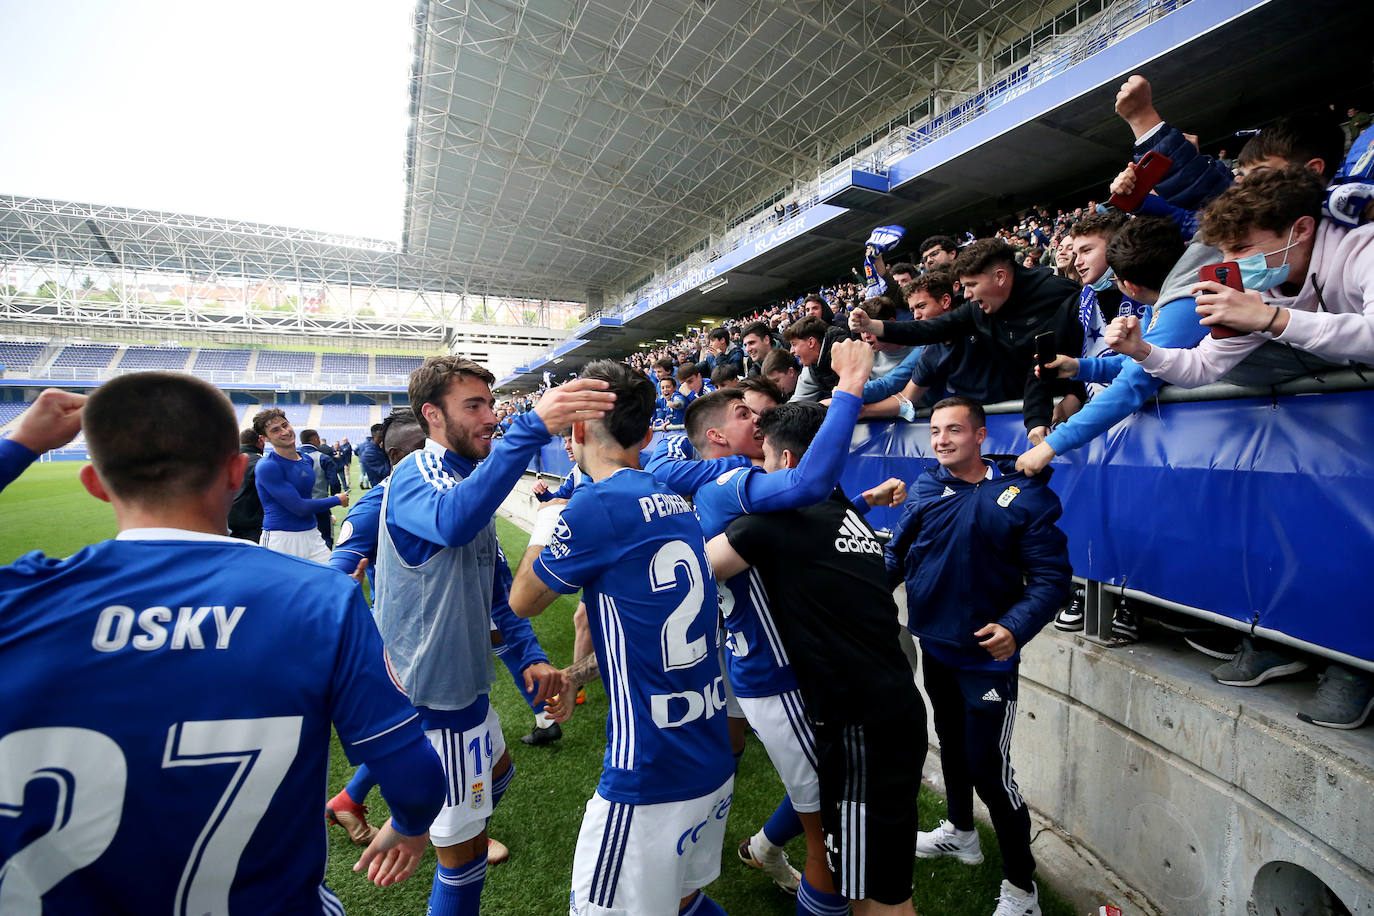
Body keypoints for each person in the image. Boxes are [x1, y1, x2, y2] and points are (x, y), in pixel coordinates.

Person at [0, 373, 445, 912]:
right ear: (238, 475)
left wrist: (18, 442)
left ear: (95, 483)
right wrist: (414, 825)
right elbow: (416, 780)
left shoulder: (20, 598)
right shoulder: (320, 600)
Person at [372, 355, 613, 915]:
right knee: (466, 864)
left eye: (490, 404)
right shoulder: (417, 474)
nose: (489, 417)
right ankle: (435, 820)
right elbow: (454, 521)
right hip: (431, 696)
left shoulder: (466, 479)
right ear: (433, 415)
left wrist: (528, 654)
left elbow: (499, 587)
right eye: (473, 406)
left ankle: (430, 815)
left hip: (464, 690)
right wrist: (532, 427)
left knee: (498, 777)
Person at [508, 359, 735, 916]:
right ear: (649, 434)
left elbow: (522, 601)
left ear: (577, 431)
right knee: (682, 900)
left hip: (650, 772)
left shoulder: (596, 505)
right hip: (707, 753)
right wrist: (575, 673)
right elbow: (648, 635)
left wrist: (550, 520)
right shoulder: (675, 503)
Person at [706, 400, 925, 916]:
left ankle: (770, 851)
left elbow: (690, 572)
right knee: (887, 882)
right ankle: (764, 847)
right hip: (897, 709)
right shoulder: (847, 515)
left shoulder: (770, 527)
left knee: (858, 885)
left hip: (856, 725)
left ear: (783, 463)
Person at [324, 408, 544, 861]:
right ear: (398, 457)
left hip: (451, 655)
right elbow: (337, 574)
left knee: (491, 769)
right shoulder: (379, 504)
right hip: (410, 660)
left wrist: (530, 656)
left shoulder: (460, 497)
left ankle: (359, 805)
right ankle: (436, 832)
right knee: (427, 751)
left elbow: (499, 589)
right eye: (416, 452)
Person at [886, 397, 1071, 916]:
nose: (942, 440)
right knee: (950, 746)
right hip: (936, 646)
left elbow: (1053, 579)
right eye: (935, 431)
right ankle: (962, 834)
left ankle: (1022, 889)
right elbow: (897, 557)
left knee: (991, 771)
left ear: (981, 435)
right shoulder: (925, 487)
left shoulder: (1025, 496)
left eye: (954, 431)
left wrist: (1015, 627)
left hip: (987, 661)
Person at [1110, 166, 1374, 387]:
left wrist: (1273, 320)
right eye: (1224, 252)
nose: (1229, 264)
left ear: (1302, 229)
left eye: (1241, 248)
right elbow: (1202, 367)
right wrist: (1141, 350)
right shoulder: (1256, 293)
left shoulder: (1364, 249)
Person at [849, 238, 1080, 441]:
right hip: (1029, 414)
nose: (967, 294)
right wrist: (872, 325)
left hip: (1059, 407)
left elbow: (1083, 352)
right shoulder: (976, 311)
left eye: (971, 285)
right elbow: (931, 329)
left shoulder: (1060, 295)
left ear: (999, 277)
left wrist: (1076, 393)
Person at [252, 408, 347, 562]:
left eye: (285, 425)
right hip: (281, 538)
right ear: (265, 438)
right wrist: (337, 499)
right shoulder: (268, 466)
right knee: (284, 586)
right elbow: (299, 507)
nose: (284, 432)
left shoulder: (306, 460)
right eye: (275, 430)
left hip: (311, 533)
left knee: (329, 581)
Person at [299, 428, 340, 549]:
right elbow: (334, 482)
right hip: (320, 504)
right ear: (315, 439)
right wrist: (334, 496)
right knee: (326, 538)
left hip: (298, 505)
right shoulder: (323, 458)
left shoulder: (292, 457)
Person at [228, 427, 265, 543]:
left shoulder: (226, 462)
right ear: (260, 441)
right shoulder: (262, 463)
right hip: (254, 525)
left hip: (229, 522)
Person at [358, 422, 391, 488]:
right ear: (375, 435)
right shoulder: (369, 454)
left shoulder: (378, 448)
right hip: (381, 488)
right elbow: (385, 473)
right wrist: (389, 454)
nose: (384, 439)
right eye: (381, 436)